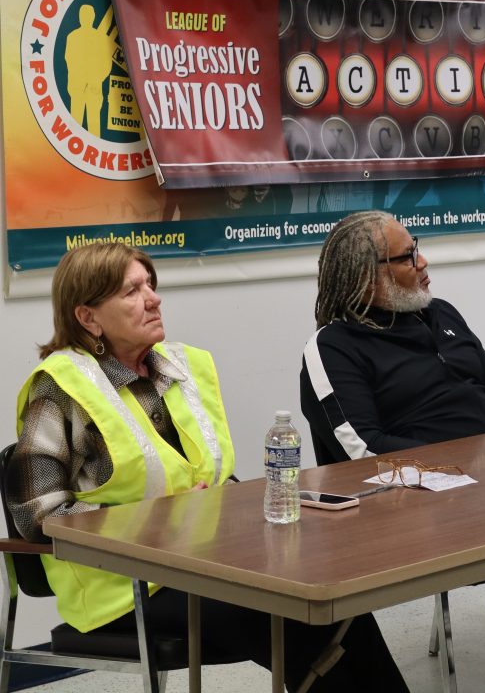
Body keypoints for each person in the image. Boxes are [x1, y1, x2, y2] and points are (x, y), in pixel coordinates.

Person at [9, 242, 408, 693]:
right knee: (292, 617)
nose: (153, 298)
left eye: (150, 285)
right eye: (131, 291)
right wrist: (156, 521)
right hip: (126, 587)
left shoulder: (179, 369)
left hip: (205, 563)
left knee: (337, 602)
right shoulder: (61, 389)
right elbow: (35, 516)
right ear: (88, 317)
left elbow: (209, 481)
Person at [300, 210, 485, 693]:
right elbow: (363, 450)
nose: (424, 261)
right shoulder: (333, 346)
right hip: (418, 504)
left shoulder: (441, 313)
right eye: (408, 256)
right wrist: (470, 471)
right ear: (366, 276)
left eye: (417, 246)